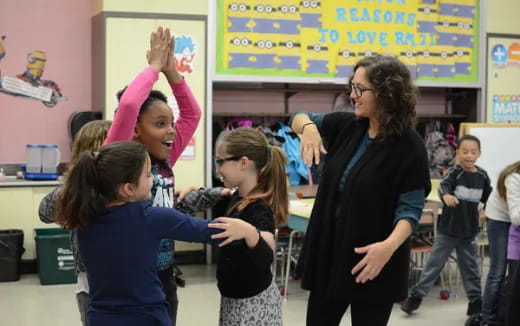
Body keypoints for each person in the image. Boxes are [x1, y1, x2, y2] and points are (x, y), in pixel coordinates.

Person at [54, 141, 260, 326]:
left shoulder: (83, 218)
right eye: (148, 175)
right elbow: (209, 231)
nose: (153, 179)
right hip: (146, 317)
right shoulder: (152, 217)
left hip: (100, 317)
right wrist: (252, 232)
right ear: (128, 188)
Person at [291, 55, 431, 326]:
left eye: (360, 89)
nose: (353, 95)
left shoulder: (409, 147)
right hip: (331, 252)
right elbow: (297, 117)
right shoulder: (347, 126)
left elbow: (410, 210)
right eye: (351, 87)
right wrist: (308, 128)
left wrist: (387, 248)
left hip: (373, 258)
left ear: (386, 92)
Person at [103, 26, 201, 325]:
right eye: (160, 123)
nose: (171, 130)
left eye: (170, 122)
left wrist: (174, 73)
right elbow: (131, 105)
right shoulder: (118, 159)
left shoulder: (165, 156)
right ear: (135, 129)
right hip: (125, 278)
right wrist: (155, 68)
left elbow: (192, 114)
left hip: (163, 274)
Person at [402, 135, 492, 317]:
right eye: (465, 152)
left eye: (473, 152)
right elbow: (444, 187)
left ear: (479, 154)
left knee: (471, 267)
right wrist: (446, 197)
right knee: (434, 264)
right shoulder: (454, 173)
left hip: (469, 231)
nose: (469, 155)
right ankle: (415, 298)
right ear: (458, 153)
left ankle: (475, 302)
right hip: (448, 230)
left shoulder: (482, 176)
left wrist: (485, 211)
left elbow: (490, 198)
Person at [208, 127, 287, 326]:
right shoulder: (236, 197)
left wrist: (251, 233)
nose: (217, 169)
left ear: (243, 163)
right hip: (234, 300)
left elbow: (266, 256)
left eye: (220, 162)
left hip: (254, 305)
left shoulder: (259, 208)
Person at [39, 119, 112, 326]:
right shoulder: (76, 189)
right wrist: (80, 183)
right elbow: (44, 211)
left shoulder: (125, 187)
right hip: (90, 281)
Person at [482, 161, 520, 325]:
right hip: (499, 219)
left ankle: (502, 314)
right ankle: (488, 318)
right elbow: (517, 217)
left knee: (513, 276)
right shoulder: (514, 178)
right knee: (498, 270)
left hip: (514, 223)